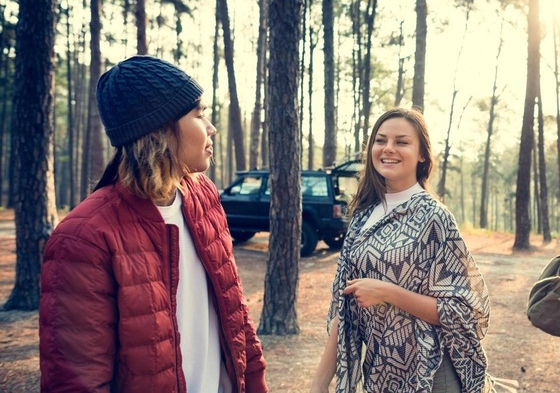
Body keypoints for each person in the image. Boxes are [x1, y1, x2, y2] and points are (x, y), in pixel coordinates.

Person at [39, 55, 267, 392]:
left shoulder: (204, 195)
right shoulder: (84, 238)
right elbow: (76, 380)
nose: (211, 127)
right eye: (199, 114)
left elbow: (234, 310)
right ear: (159, 130)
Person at [310, 108, 492, 393]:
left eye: (402, 142)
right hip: (382, 375)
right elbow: (344, 312)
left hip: (432, 375)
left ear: (421, 155)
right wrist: (319, 385)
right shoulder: (361, 216)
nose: (388, 149)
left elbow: (463, 312)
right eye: (380, 140)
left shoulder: (435, 218)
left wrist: (388, 293)